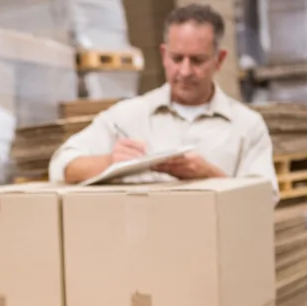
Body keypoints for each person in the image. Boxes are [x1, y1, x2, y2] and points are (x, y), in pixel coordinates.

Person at [48, 3, 279, 202]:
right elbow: (61, 166)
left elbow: (264, 200)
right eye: (177, 59)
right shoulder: (127, 117)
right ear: (163, 55)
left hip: (216, 250)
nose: (185, 71)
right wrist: (110, 161)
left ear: (219, 60)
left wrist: (209, 175)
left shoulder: (247, 126)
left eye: (198, 60)